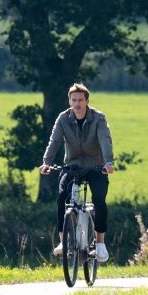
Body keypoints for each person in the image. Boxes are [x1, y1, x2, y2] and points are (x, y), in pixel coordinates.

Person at [38, 83, 114, 262]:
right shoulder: (63, 118)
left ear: (87, 101)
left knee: (99, 200)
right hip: (72, 166)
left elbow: (105, 140)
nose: (77, 103)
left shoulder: (98, 118)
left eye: (81, 100)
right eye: (74, 100)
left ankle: (101, 244)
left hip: (96, 167)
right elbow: (55, 141)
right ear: (69, 101)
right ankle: (63, 242)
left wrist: (108, 162)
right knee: (62, 197)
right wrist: (46, 163)